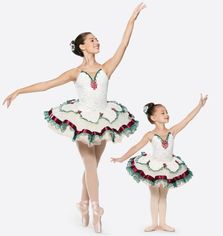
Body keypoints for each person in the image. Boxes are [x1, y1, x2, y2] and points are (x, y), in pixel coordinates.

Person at [2, 3, 146, 233]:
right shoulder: (74, 72)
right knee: (90, 166)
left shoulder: (107, 67)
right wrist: (19, 90)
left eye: (97, 39)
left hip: (105, 120)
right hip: (81, 121)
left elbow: (124, 44)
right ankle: (97, 210)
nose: (96, 42)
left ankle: (84, 203)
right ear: (82, 47)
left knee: (93, 167)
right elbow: (46, 84)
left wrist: (132, 19)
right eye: (92, 40)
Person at [111, 94, 208, 232]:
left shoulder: (172, 131)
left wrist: (199, 105)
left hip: (169, 167)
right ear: (153, 117)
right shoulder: (149, 135)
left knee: (163, 196)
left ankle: (162, 223)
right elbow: (136, 147)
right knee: (154, 195)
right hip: (153, 167)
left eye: (167, 112)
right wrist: (121, 158)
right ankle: (153, 223)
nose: (166, 114)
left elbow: (187, 119)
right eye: (163, 112)